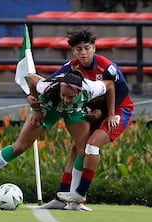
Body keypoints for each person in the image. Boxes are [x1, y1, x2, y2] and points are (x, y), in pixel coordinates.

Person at [0, 70, 117, 210]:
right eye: (63, 95)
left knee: (83, 150)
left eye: (70, 97)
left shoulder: (90, 87)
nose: (65, 99)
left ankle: (74, 201)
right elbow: (31, 78)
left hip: (74, 112)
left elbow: (110, 85)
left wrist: (110, 114)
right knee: (20, 147)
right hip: (47, 109)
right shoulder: (48, 88)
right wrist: (36, 107)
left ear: (80, 91)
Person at [41, 27, 134, 208]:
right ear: (73, 51)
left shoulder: (109, 68)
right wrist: (34, 95)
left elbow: (119, 91)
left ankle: (80, 194)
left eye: (86, 47)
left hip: (118, 111)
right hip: (95, 112)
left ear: (94, 47)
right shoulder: (70, 67)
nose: (83, 52)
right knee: (77, 150)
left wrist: (109, 114)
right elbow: (48, 83)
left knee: (92, 146)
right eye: (78, 49)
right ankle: (62, 200)